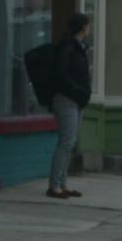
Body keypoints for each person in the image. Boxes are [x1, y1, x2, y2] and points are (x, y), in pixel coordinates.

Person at [48, 13, 92, 199]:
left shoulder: (79, 47)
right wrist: (77, 91)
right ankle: (54, 186)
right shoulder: (68, 46)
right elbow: (61, 74)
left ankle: (62, 183)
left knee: (70, 142)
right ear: (82, 28)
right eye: (88, 26)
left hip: (76, 100)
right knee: (66, 142)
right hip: (67, 100)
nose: (89, 29)